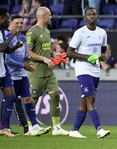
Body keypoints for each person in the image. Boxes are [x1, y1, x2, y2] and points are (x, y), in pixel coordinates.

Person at [67, 7, 110, 139]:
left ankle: (74, 129)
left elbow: (103, 50)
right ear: (85, 17)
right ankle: (99, 129)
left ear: (97, 16)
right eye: (89, 15)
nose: (92, 16)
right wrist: (88, 57)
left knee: (85, 100)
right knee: (90, 98)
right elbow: (69, 52)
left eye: (94, 14)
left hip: (95, 70)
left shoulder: (102, 33)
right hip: (82, 68)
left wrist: (103, 57)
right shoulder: (80, 33)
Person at [5, 15, 51, 136]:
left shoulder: (23, 38)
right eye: (17, 23)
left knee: (28, 99)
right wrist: (24, 65)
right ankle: (5, 127)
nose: (20, 25)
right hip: (10, 75)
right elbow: (7, 60)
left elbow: (25, 55)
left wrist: (28, 59)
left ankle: (34, 126)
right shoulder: (7, 37)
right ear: (10, 24)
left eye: (21, 23)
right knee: (10, 101)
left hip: (22, 74)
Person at [26, 7, 69, 136]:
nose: (51, 17)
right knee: (33, 99)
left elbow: (43, 49)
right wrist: (44, 58)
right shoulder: (32, 32)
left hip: (49, 71)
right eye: (49, 15)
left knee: (55, 94)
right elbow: (28, 53)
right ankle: (30, 127)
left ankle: (57, 128)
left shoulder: (47, 31)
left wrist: (52, 53)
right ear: (43, 16)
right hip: (36, 71)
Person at [0, 8, 25, 137]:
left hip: (3, 71)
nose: (7, 20)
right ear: (1, 18)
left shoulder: (1, 32)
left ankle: (4, 128)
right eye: (6, 17)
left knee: (10, 97)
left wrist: (15, 47)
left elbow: (5, 50)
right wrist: (11, 36)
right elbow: (1, 47)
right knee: (10, 97)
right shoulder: (5, 33)